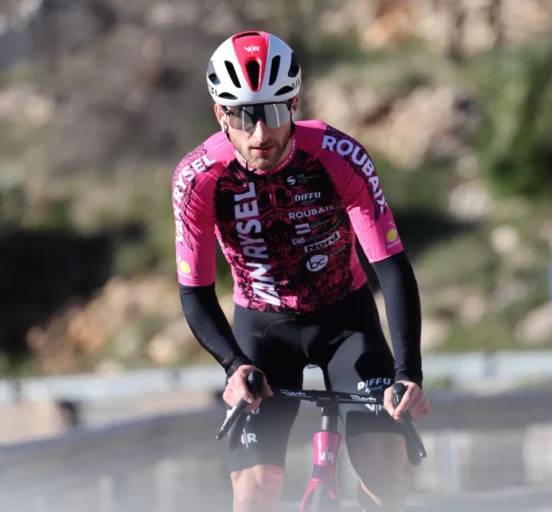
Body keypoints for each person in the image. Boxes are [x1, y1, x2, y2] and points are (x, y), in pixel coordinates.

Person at [172, 30, 431, 512]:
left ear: (293, 103)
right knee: (253, 496)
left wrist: (408, 373)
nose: (259, 135)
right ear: (220, 114)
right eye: (244, 116)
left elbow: (392, 268)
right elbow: (195, 292)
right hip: (262, 333)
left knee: (384, 479)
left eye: (271, 113)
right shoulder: (199, 178)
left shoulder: (338, 156)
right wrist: (234, 367)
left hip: (345, 323)